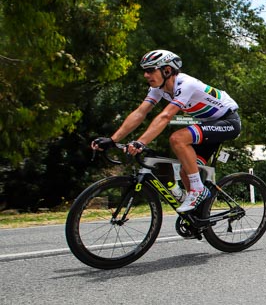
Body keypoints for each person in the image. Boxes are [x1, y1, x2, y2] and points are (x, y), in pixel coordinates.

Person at [91, 49, 242, 215]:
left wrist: (141, 142)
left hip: (228, 121)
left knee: (177, 138)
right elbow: (140, 113)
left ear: (167, 70)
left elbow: (166, 116)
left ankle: (198, 190)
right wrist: (112, 140)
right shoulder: (159, 89)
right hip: (208, 124)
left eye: (150, 70)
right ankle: (200, 217)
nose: (146, 75)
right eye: (145, 71)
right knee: (187, 170)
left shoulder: (186, 84)